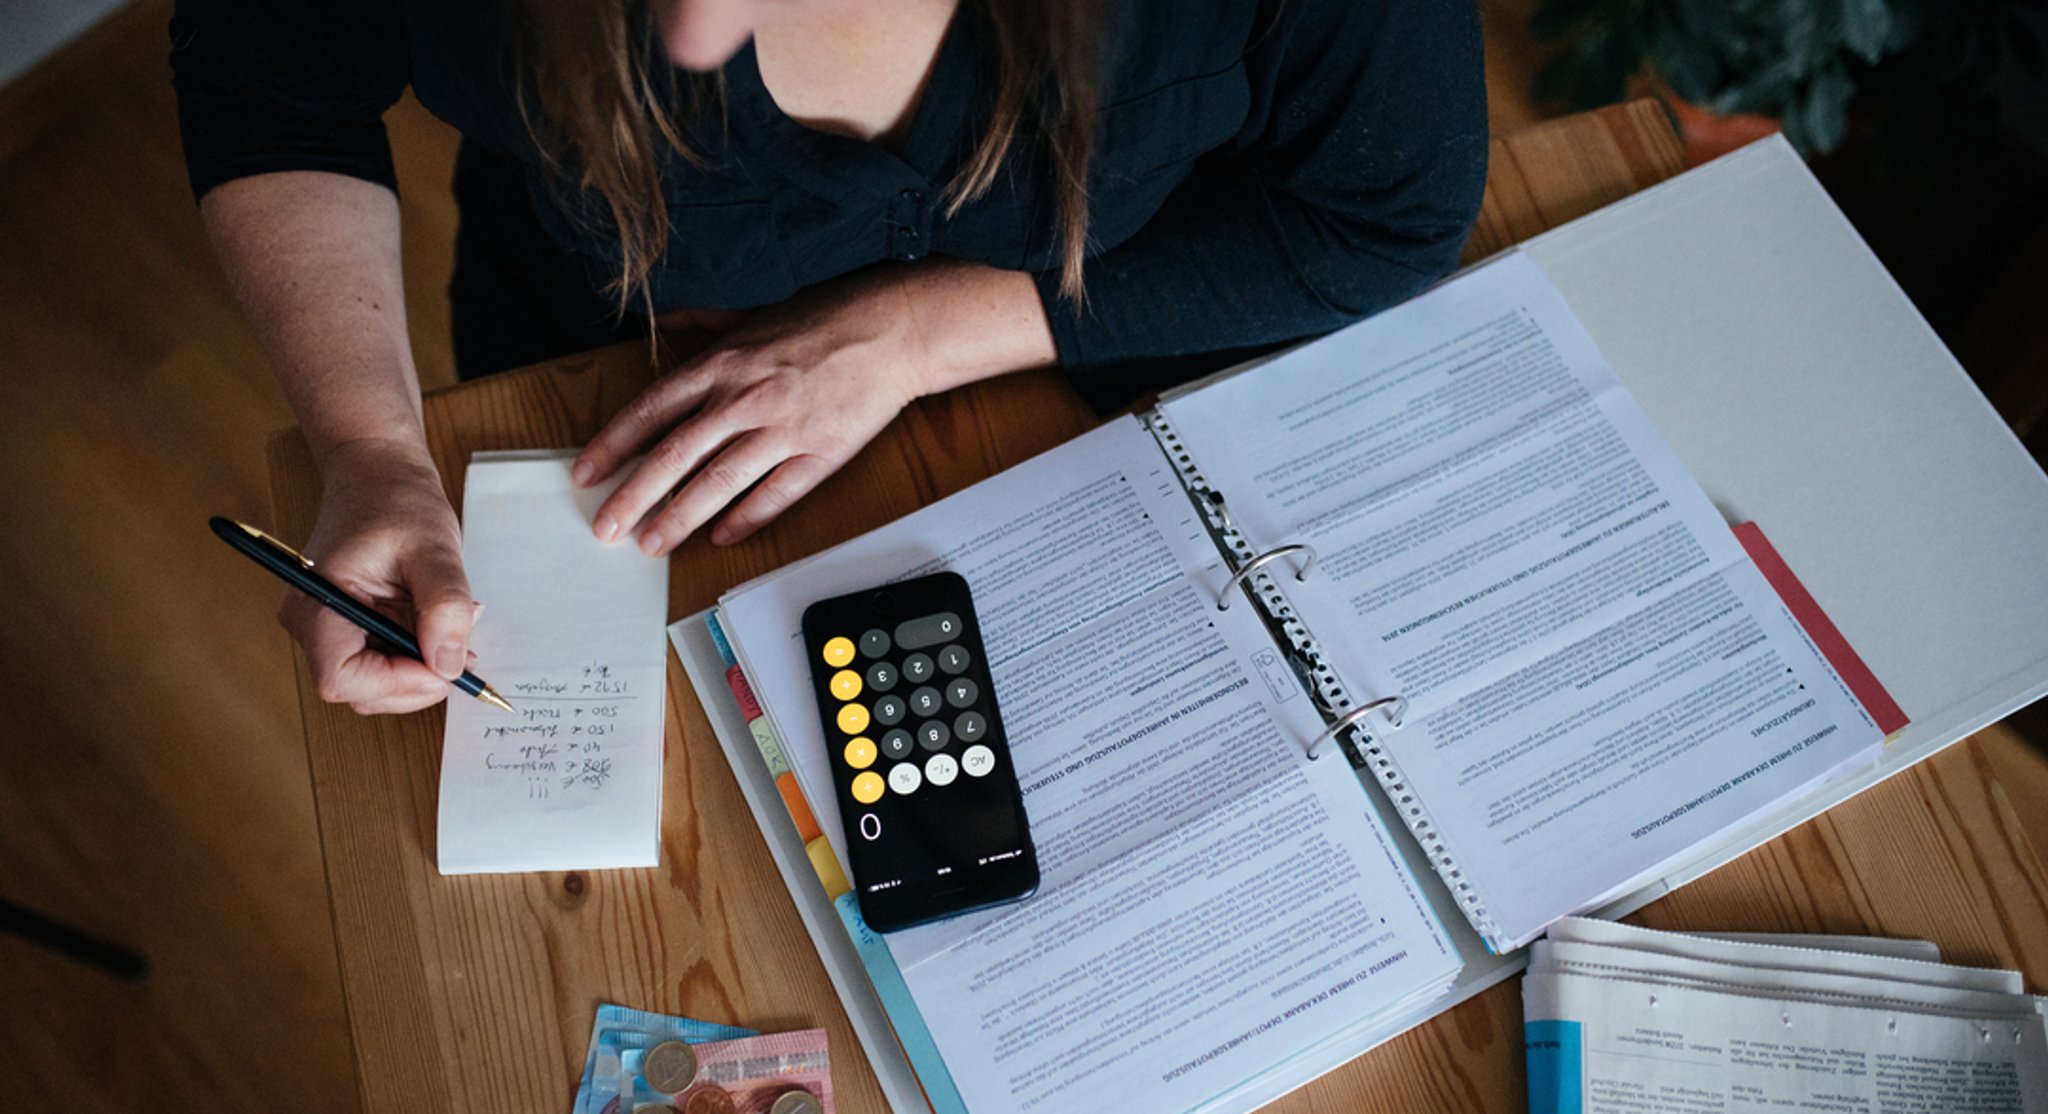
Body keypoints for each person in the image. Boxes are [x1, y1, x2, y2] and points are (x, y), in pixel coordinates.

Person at [171, 0, 1488, 715]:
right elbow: (269, 86)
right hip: (602, 371)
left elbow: (1392, 208)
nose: (686, 37)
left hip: (1109, 369)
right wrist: (367, 448)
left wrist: (915, 334)